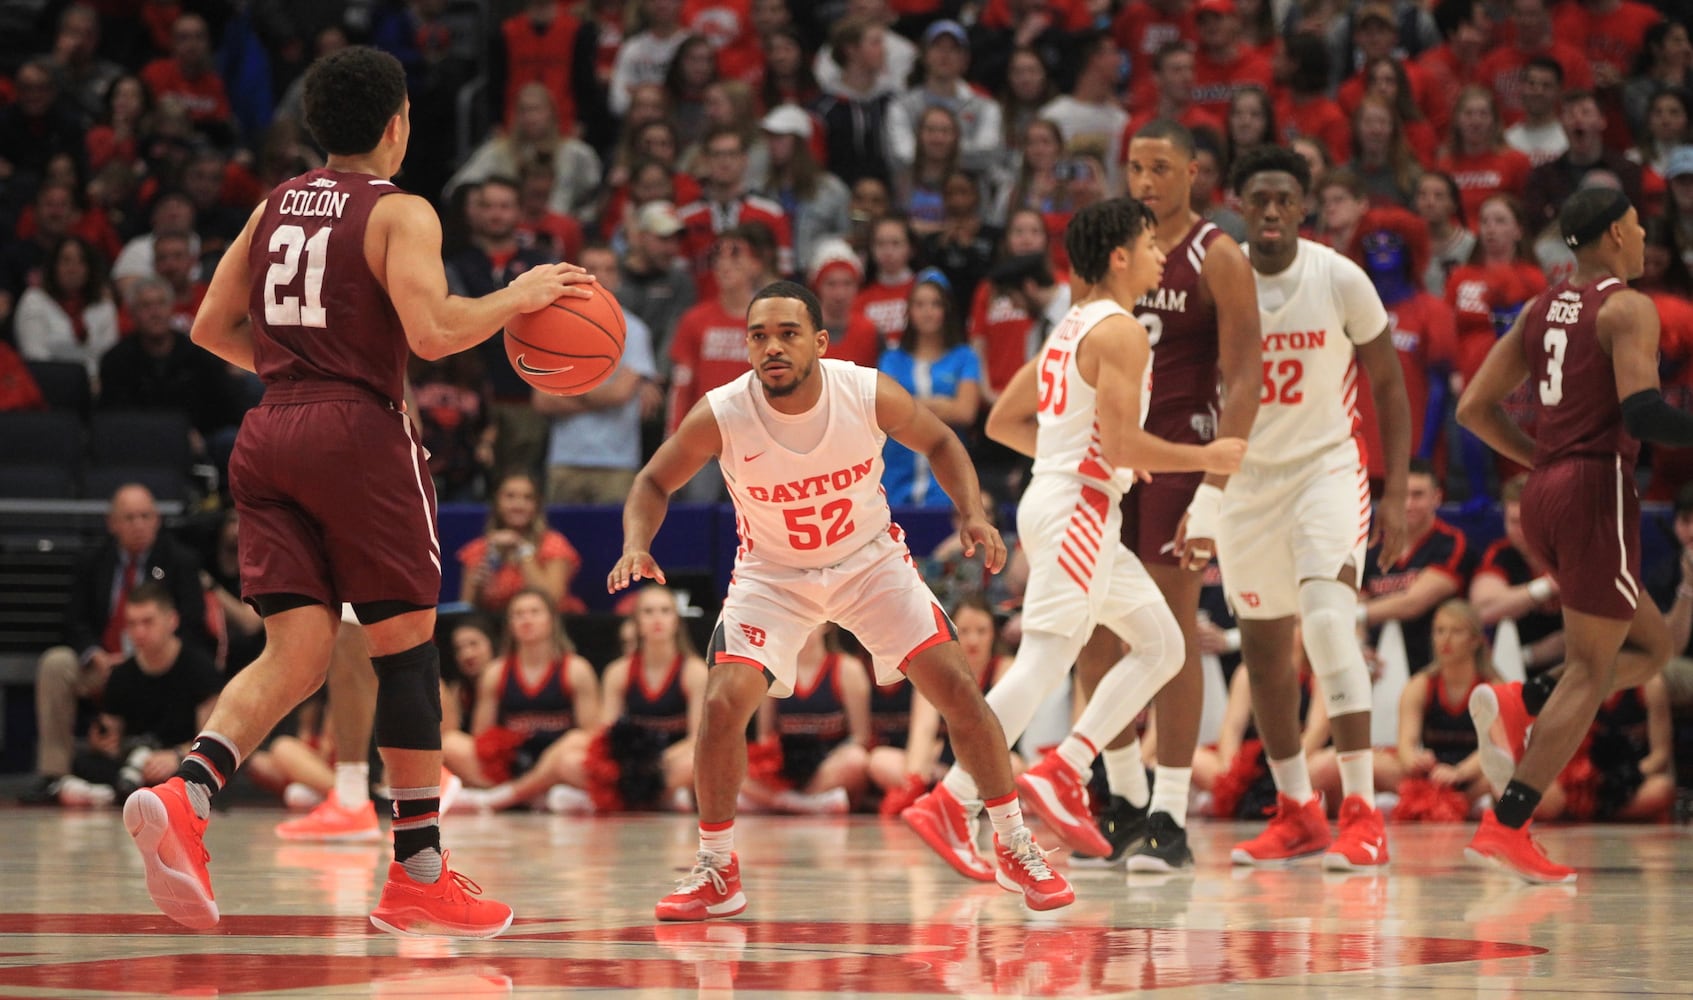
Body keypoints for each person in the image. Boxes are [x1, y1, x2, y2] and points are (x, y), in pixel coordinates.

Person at [125, 47, 594, 936]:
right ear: (397, 124)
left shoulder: (272, 206)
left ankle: (188, 792)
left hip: (268, 431)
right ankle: (418, 872)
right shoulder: (400, 209)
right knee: (406, 652)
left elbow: (208, 326)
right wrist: (519, 293)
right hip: (358, 433)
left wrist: (300, 371)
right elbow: (435, 328)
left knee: (296, 654)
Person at [610, 279, 1075, 918]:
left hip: (869, 564)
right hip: (773, 574)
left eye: (788, 333)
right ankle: (717, 870)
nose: (771, 347)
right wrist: (637, 540)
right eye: (758, 336)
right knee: (721, 706)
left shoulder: (864, 391)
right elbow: (653, 481)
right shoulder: (723, 410)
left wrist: (970, 512)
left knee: (960, 692)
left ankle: (1015, 844)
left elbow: (941, 440)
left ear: (820, 342)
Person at [908, 197, 1246, 874]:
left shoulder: (1068, 327)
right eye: (1150, 245)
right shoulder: (1120, 331)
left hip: (1069, 503)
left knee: (1163, 644)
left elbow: (1005, 421)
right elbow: (1120, 439)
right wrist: (1199, 458)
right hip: (1078, 511)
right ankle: (956, 797)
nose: (1160, 256)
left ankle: (1064, 764)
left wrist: (1086, 457)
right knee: (1041, 662)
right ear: (1118, 256)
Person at [1455, 187, 1678, 882]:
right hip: (1594, 492)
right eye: (1637, 228)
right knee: (1591, 667)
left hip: (1547, 495)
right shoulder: (1626, 307)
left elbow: (1472, 409)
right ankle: (1508, 822)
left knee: (1652, 644)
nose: (1643, 239)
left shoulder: (1536, 308)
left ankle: (1526, 700)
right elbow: (1641, 415)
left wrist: (1543, 461)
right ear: (1614, 233)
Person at [1069, 119, 1263, 872]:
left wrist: (1214, 491)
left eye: (1159, 167)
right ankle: (1118, 801)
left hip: (1179, 457)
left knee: (1170, 635)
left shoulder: (1216, 255)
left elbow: (1244, 378)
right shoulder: (1107, 252)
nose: (1145, 180)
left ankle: (1169, 814)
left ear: (1192, 173)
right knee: (1095, 631)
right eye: (1134, 167)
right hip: (1103, 459)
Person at [1220, 145, 1412, 870]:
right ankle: (1297, 810)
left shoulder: (1339, 278)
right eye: (1257, 198)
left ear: (1302, 205)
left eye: (1283, 199)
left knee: (1330, 622)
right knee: (1265, 651)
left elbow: (1388, 385)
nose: (1270, 210)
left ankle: (1362, 810)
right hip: (1244, 483)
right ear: (1239, 204)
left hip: (1326, 470)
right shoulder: (1221, 277)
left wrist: (1393, 491)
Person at [26, 484, 209, 806]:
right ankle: (54, 775)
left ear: (157, 520)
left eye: (145, 516)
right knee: (56, 663)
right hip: (104, 665)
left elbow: (192, 624)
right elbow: (74, 622)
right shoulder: (93, 559)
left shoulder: (180, 560)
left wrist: (142, 657)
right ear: (112, 523)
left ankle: (168, 763)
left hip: (156, 663)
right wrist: (95, 655)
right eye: (129, 517)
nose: (139, 524)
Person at [55, 583, 222, 808]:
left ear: (171, 621)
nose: (139, 632)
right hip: (135, 761)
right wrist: (103, 742)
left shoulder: (200, 668)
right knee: (84, 762)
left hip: (178, 760)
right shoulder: (121, 674)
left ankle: (114, 793)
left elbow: (209, 739)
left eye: (148, 622)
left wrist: (175, 756)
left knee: (202, 771)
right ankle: (121, 791)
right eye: (132, 624)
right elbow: (111, 735)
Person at [446, 589, 600, 813]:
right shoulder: (496, 672)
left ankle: (508, 796)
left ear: (551, 620)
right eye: (518, 614)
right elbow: (481, 738)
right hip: (512, 762)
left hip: (556, 759)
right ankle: (538, 796)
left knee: (576, 745)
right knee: (451, 743)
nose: (526, 619)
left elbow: (592, 735)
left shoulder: (576, 669)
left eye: (534, 612)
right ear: (510, 624)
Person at [456, 471, 585, 615]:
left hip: (549, 625)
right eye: (510, 496)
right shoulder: (478, 550)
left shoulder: (554, 544)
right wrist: (479, 586)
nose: (518, 505)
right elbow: (466, 611)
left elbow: (552, 601)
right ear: (496, 501)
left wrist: (521, 549)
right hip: (495, 627)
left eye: (528, 498)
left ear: (537, 504)